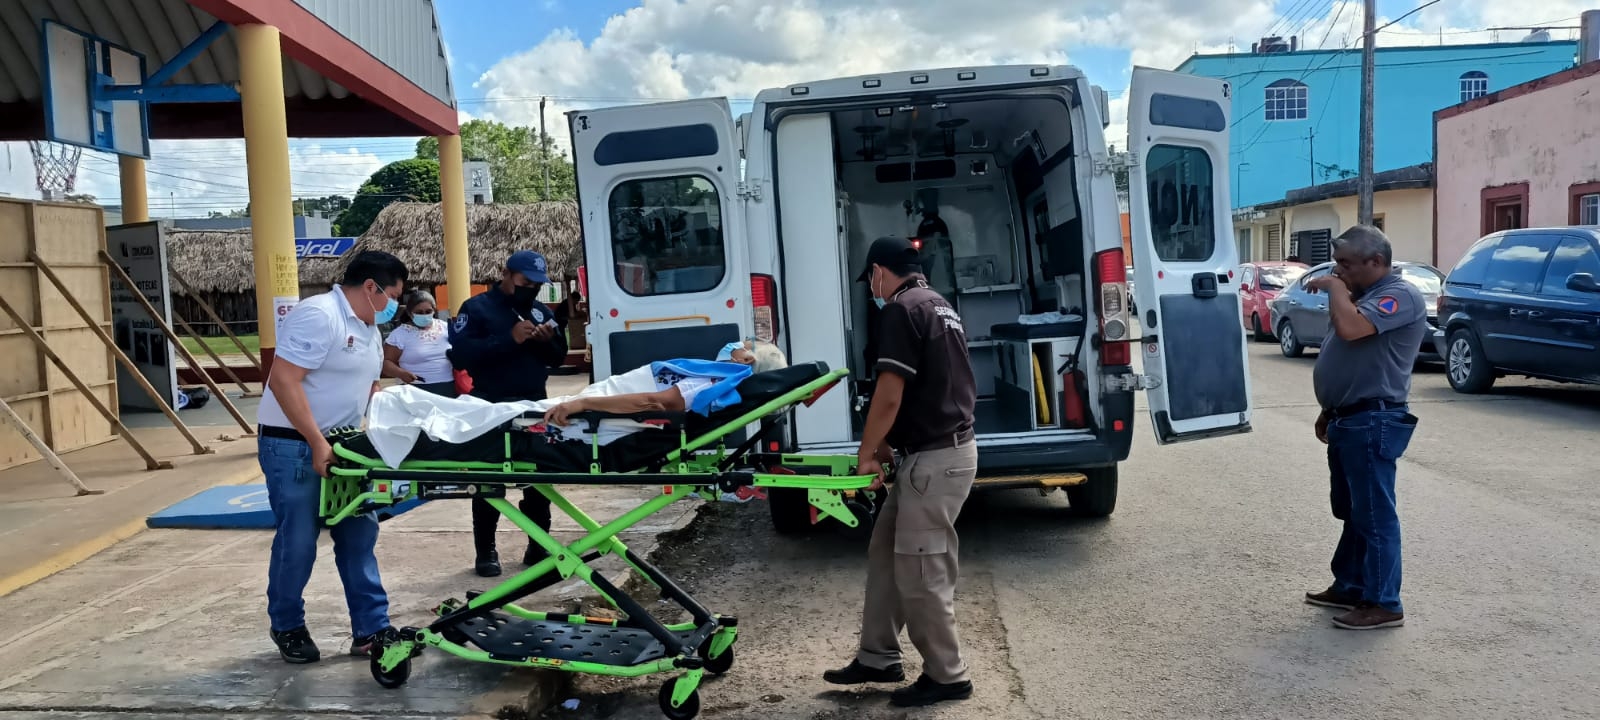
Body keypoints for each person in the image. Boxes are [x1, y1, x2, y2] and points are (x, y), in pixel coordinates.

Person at [825, 236, 978, 708]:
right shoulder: (937, 304)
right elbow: (925, 386)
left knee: (921, 569)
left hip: (935, 461)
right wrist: (891, 445)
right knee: (887, 553)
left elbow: (889, 394)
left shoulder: (899, 309)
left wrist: (866, 453)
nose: (870, 287)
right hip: (932, 454)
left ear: (878, 272)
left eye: (869, 279)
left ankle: (948, 675)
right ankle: (877, 656)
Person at [257, 250, 409, 664]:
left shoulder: (370, 327)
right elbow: (284, 381)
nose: (395, 305)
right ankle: (287, 623)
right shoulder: (319, 315)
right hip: (293, 444)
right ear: (371, 287)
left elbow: (368, 385)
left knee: (360, 534)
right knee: (300, 540)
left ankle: (371, 628)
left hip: (344, 445)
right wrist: (316, 442)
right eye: (392, 295)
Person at [361, 341, 791, 470]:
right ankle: (402, 412)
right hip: (595, 410)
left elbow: (652, 401)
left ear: (749, 361)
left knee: (494, 417)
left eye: (746, 346)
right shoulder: (713, 378)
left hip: (593, 419)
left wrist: (584, 402)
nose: (737, 345)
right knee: (490, 413)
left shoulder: (715, 383)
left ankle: (398, 418)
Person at [1302, 225, 1425, 631]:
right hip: (1349, 416)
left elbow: (1353, 330)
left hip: (1374, 419)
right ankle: (1352, 584)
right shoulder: (1365, 296)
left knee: (1374, 515)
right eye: (1337, 264)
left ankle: (1384, 602)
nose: (1339, 271)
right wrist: (1330, 408)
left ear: (1376, 262)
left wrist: (1336, 290)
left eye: (1346, 264)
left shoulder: (1399, 295)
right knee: (1353, 511)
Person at [448, 250, 569, 578]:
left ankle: (537, 544)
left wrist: (547, 341)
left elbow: (558, 358)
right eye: (524, 282)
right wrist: (508, 340)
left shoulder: (542, 311)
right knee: (488, 480)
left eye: (536, 284)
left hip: (534, 404)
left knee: (538, 480)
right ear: (506, 274)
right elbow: (461, 355)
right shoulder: (477, 309)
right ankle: (486, 550)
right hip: (491, 404)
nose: (530, 288)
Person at [383, 290, 456, 397]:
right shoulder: (399, 334)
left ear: (434, 311)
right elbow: (386, 363)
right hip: (415, 390)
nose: (424, 315)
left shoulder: (446, 328)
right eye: (419, 312)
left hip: (448, 388)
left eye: (428, 311)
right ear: (409, 313)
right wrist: (401, 373)